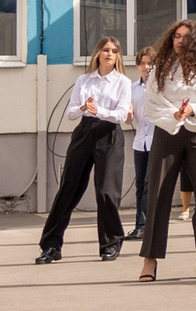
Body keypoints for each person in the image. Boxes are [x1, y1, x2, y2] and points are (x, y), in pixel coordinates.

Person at [136, 19, 196, 282]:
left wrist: (191, 109)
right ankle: (150, 260)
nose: (178, 41)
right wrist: (175, 113)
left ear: (195, 42)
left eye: (184, 37)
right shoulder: (160, 69)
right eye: (175, 36)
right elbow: (151, 102)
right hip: (167, 130)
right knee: (158, 194)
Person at [39, 37, 132, 263]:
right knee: (68, 188)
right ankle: (51, 246)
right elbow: (71, 113)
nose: (109, 54)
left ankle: (110, 243)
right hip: (84, 131)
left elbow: (121, 115)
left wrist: (97, 109)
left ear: (118, 56)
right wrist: (83, 107)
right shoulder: (84, 79)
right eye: (105, 50)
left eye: (114, 51)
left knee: (106, 191)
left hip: (109, 133)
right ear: (98, 53)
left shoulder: (122, 82)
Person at [128, 49, 156, 238]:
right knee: (140, 185)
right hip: (140, 142)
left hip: (157, 142)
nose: (146, 67)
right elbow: (128, 116)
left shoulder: (160, 87)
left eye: (150, 63)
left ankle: (147, 225)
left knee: (149, 184)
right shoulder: (132, 88)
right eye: (142, 63)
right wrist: (127, 113)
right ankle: (140, 225)